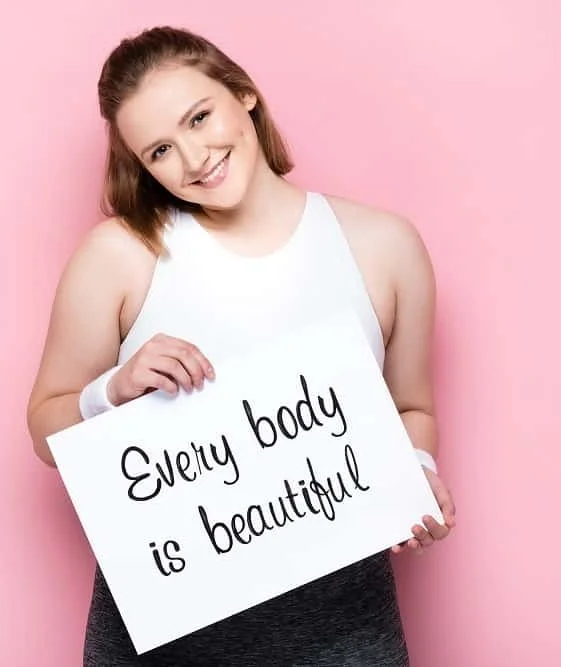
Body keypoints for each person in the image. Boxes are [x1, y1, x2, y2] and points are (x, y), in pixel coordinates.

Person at [26, 25, 457, 666]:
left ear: (244, 94)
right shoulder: (119, 255)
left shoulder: (386, 246)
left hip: (340, 623)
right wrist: (110, 392)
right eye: (161, 151)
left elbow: (411, 407)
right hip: (161, 621)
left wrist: (417, 472)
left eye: (200, 117)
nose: (195, 158)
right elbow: (44, 427)